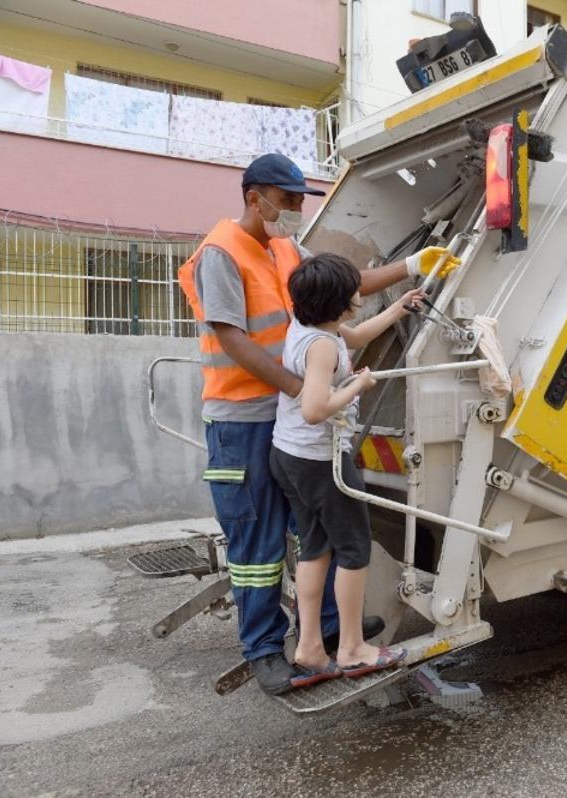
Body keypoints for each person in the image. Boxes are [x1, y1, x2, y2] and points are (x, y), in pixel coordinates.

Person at [177, 153, 459, 694]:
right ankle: (263, 649)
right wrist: (310, 390)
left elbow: (343, 284)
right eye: (286, 200)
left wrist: (413, 265)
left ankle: (327, 630)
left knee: (313, 533)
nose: (294, 209)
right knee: (259, 542)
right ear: (253, 197)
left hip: (289, 421)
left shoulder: (285, 248)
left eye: (300, 199)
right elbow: (232, 339)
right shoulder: (220, 252)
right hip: (243, 419)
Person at [270, 254, 421, 687]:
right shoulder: (321, 348)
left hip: (289, 456)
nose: (361, 290)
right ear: (340, 301)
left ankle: (310, 647)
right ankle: (353, 648)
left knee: (315, 547)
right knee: (355, 550)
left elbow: (352, 337)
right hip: (319, 462)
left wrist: (399, 308)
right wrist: (358, 385)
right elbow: (315, 408)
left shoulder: (312, 329)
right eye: (355, 287)